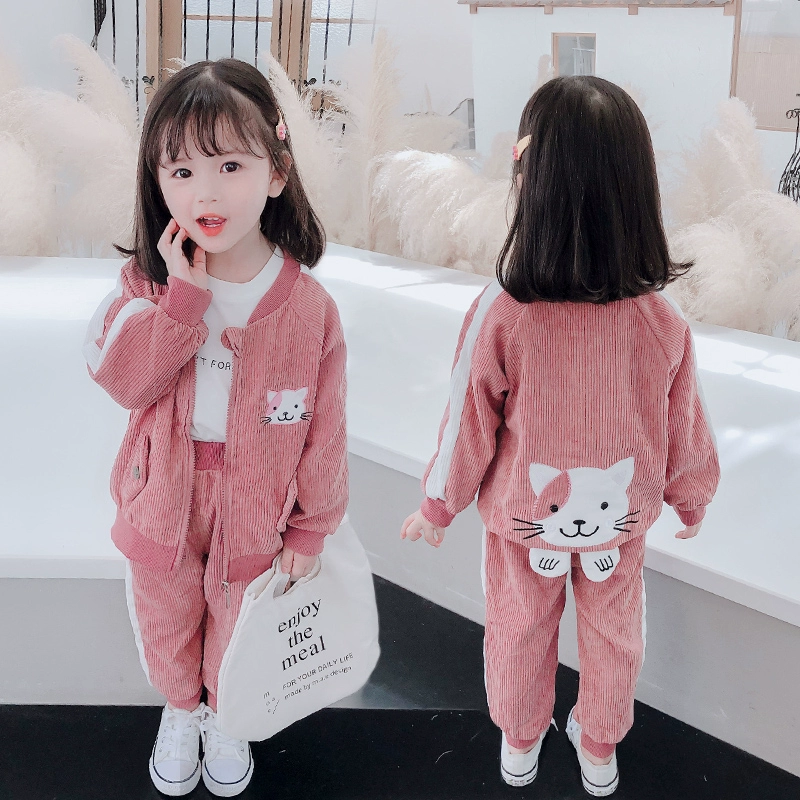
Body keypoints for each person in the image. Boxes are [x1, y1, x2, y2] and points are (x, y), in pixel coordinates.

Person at [401, 76, 720, 797]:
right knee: (614, 637)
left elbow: (466, 421)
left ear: (531, 183)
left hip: (526, 524)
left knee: (518, 627)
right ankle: (599, 749)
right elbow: (686, 422)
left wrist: (438, 504)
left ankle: (520, 742)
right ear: (637, 190)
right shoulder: (659, 318)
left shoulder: (504, 311)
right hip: (618, 526)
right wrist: (693, 495)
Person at [83, 59, 348, 797]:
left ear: (276, 172)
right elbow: (124, 382)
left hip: (259, 502)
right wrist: (180, 303)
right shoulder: (143, 286)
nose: (205, 192)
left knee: (240, 625)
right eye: (182, 171)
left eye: (230, 165)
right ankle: (181, 709)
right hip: (162, 494)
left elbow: (325, 430)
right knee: (167, 618)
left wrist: (311, 528)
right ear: (157, 182)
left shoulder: (310, 308)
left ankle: (226, 714)